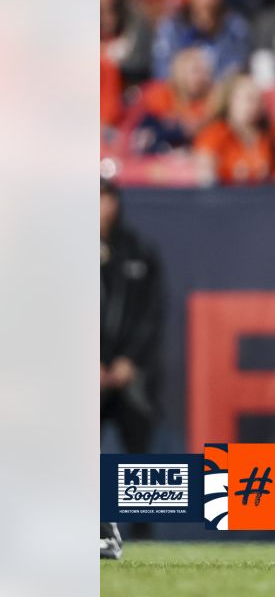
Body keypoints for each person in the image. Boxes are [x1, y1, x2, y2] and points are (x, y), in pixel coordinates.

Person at [101, 177, 165, 548]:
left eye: (107, 198)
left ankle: (144, 535)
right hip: (84, 373)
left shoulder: (137, 251)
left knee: (139, 452)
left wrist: (129, 360)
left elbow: (151, 313)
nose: (102, 207)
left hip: (130, 373)